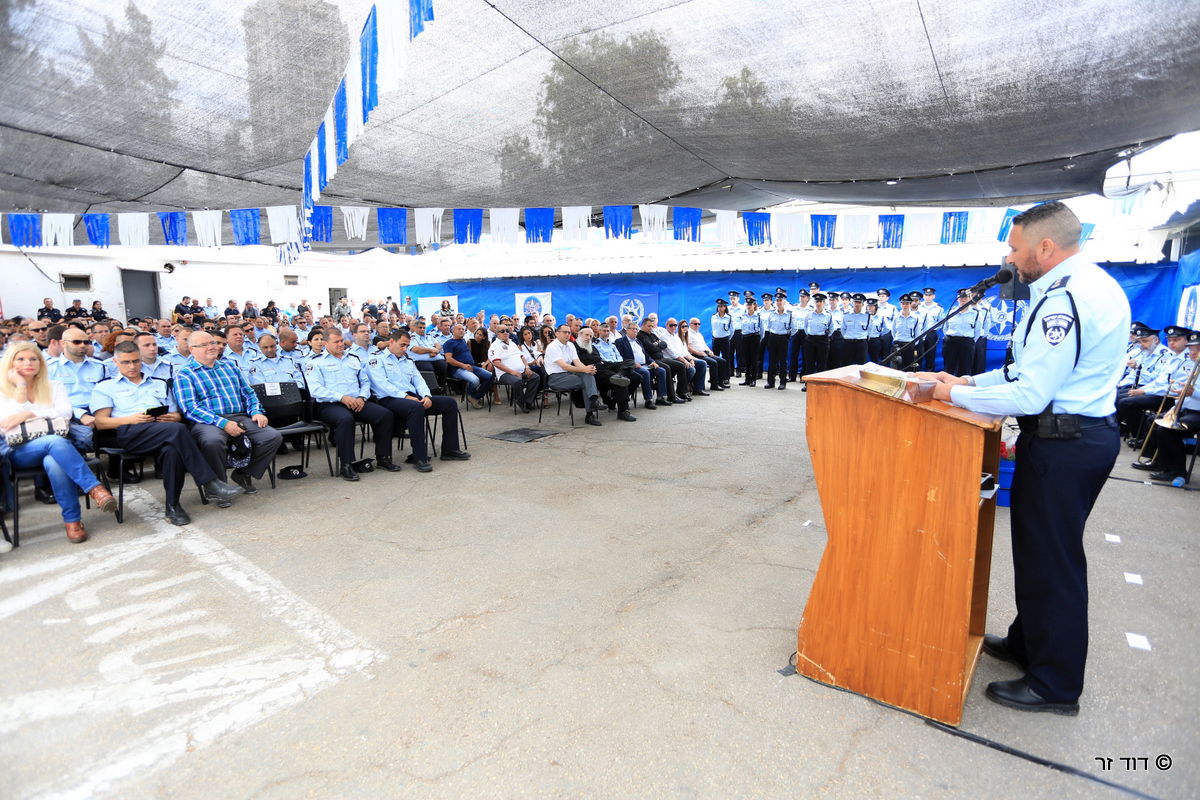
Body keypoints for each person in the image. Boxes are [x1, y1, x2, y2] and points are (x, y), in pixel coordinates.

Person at [924, 201, 1129, 715]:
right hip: (1070, 438)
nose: (1009, 258)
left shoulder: (1066, 299)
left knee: (1053, 562)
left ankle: (1055, 685)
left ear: (1045, 247)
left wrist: (949, 396)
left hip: (1067, 442)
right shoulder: (1080, 285)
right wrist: (969, 381)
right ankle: (1028, 643)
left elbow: (1030, 393)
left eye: (1015, 248)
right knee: (1038, 553)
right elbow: (1025, 372)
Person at [90, 342, 243, 525]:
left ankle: (173, 506)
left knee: (172, 450)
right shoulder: (106, 387)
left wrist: (173, 418)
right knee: (178, 432)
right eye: (125, 362)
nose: (132, 366)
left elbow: (177, 415)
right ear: (115, 362)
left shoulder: (158, 383)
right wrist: (130, 419)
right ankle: (210, 482)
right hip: (130, 432)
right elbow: (100, 423)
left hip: (164, 430)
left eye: (136, 361)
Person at [0, 342, 117, 542]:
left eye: (33, 358)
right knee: (54, 442)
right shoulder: (2, 389)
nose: (28, 363)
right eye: (21, 359)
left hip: (57, 450)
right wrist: (21, 387)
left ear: (41, 362)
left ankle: (72, 521)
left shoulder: (54, 385)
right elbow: (6, 422)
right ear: (10, 363)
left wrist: (29, 413)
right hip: (19, 450)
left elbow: (65, 413)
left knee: (54, 460)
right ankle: (95, 489)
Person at [173, 331, 283, 503]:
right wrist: (223, 423)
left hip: (239, 416)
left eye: (212, 343)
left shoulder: (230, 366)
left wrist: (256, 411)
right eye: (204, 345)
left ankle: (243, 474)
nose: (211, 347)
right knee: (212, 441)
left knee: (272, 436)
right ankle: (218, 487)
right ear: (192, 349)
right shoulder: (185, 374)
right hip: (208, 421)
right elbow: (190, 408)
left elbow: (248, 392)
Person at [365, 330, 470, 472]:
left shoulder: (407, 360)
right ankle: (419, 456)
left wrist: (427, 396)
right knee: (416, 408)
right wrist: (406, 397)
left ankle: (450, 450)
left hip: (412, 397)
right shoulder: (377, 359)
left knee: (449, 403)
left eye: (407, 346)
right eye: (402, 345)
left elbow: (418, 380)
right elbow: (381, 384)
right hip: (389, 398)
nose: (404, 349)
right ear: (391, 342)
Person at [304, 330, 400, 481]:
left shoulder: (353, 359)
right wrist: (342, 398)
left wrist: (362, 397)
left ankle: (383, 458)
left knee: (385, 415)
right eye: (336, 342)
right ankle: (346, 464)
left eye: (342, 341)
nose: (341, 344)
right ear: (325, 343)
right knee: (345, 419)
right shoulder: (315, 362)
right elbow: (316, 390)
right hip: (331, 405)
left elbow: (365, 382)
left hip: (357, 402)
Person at [1131, 329, 1199, 483]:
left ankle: (1178, 471)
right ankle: (1159, 462)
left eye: (1197, 349)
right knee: (1153, 421)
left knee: (1167, 431)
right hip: (1184, 409)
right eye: (1191, 348)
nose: (1193, 352)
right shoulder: (1195, 366)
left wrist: (1192, 392)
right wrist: (1176, 407)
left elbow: (1192, 393)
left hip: (1197, 413)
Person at [545, 324, 605, 426]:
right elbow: (565, 366)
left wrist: (587, 369)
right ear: (557, 333)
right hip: (556, 378)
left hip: (569, 375)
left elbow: (577, 362)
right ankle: (591, 408)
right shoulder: (552, 347)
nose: (567, 334)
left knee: (588, 375)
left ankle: (592, 405)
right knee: (586, 380)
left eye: (569, 332)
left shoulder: (570, 345)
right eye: (565, 332)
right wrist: (585, 369)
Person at [574, 327, 635, 421]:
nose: (589, 338)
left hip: (604, 366)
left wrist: (606, 363)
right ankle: (623, 411)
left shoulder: (592, 346)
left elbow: (599, 358)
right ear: (580, 334)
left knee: (630, 362)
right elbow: (577, 363)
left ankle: (619, 374)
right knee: (621, 382)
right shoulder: (574, 346)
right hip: (592, 372)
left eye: (590, 336)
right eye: (586, 335)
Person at [489, 324, 540, 412]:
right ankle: (521, 402)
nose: (505, 333)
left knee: (535, 377)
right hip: (505, 373)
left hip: (521, 371)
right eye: (502, 331)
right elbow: (497, 363)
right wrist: (512, 372)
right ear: (497, 333)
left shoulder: (512, 343)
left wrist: (527, 367)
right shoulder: (494, 346)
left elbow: (522, 357)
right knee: (517, 381)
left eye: (507, 331)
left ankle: (527, 402)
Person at [443, 324, 494, 409]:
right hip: (458, 369)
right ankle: (472, 396)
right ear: (453, 331)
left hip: (471, 366)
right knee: (475, 380)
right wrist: (463, 365)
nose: (461, 331)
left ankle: (475, 397)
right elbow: (449, 359)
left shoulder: (463, 341)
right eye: (459, 329)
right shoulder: (448, 343)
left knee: (490, 376)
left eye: (463, 329)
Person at [617, 321, 666, 408]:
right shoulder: (620, 341)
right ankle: (648, 400)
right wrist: (633, 364)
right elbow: (620, 356)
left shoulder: (638, 341)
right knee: (645, 373)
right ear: (627, 330)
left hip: (645, 365)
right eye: (633, 329)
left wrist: (652, 362)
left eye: (637, 329)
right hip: (632, 366)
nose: (635, 331)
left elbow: (645, 355)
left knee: (661, 371)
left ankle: (660, 397)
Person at [763, 294, 796, 390]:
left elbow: (794, 328)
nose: (779, 302)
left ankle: (782, 382)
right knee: (772, 360)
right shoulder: (772, 313)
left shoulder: (789, 314)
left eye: (780, 300)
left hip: (783, 338)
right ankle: (770, 382)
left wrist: (787, 336)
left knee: (783, 361)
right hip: (773, 337)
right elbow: (768, 326)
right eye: (777, 300)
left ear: (784, 301)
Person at [684, 318, 728, 390]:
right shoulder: (688, 333)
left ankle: (720, 382)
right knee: (713, 362)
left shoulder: (699, 334)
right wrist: (698, 353)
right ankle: (714, 384)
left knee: (722, 361)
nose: (697, 325)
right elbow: (688, 347)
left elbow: (704, 345)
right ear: (690, 324)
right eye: (695, 324)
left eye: (699, 324)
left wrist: (709, 351)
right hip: (696, 354)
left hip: (704, 352)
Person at [739, 297, 762, 387]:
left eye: (750, 305)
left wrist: (758, 338)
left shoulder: (758, 316)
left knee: (754, 360)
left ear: (754, 305)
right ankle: (747, 379)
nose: (748, 306)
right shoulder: (743, 316)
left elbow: (762, 330)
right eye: (747, 305)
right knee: (746, 359)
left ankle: (753, 379)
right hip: (745, 338)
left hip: (754, 338)